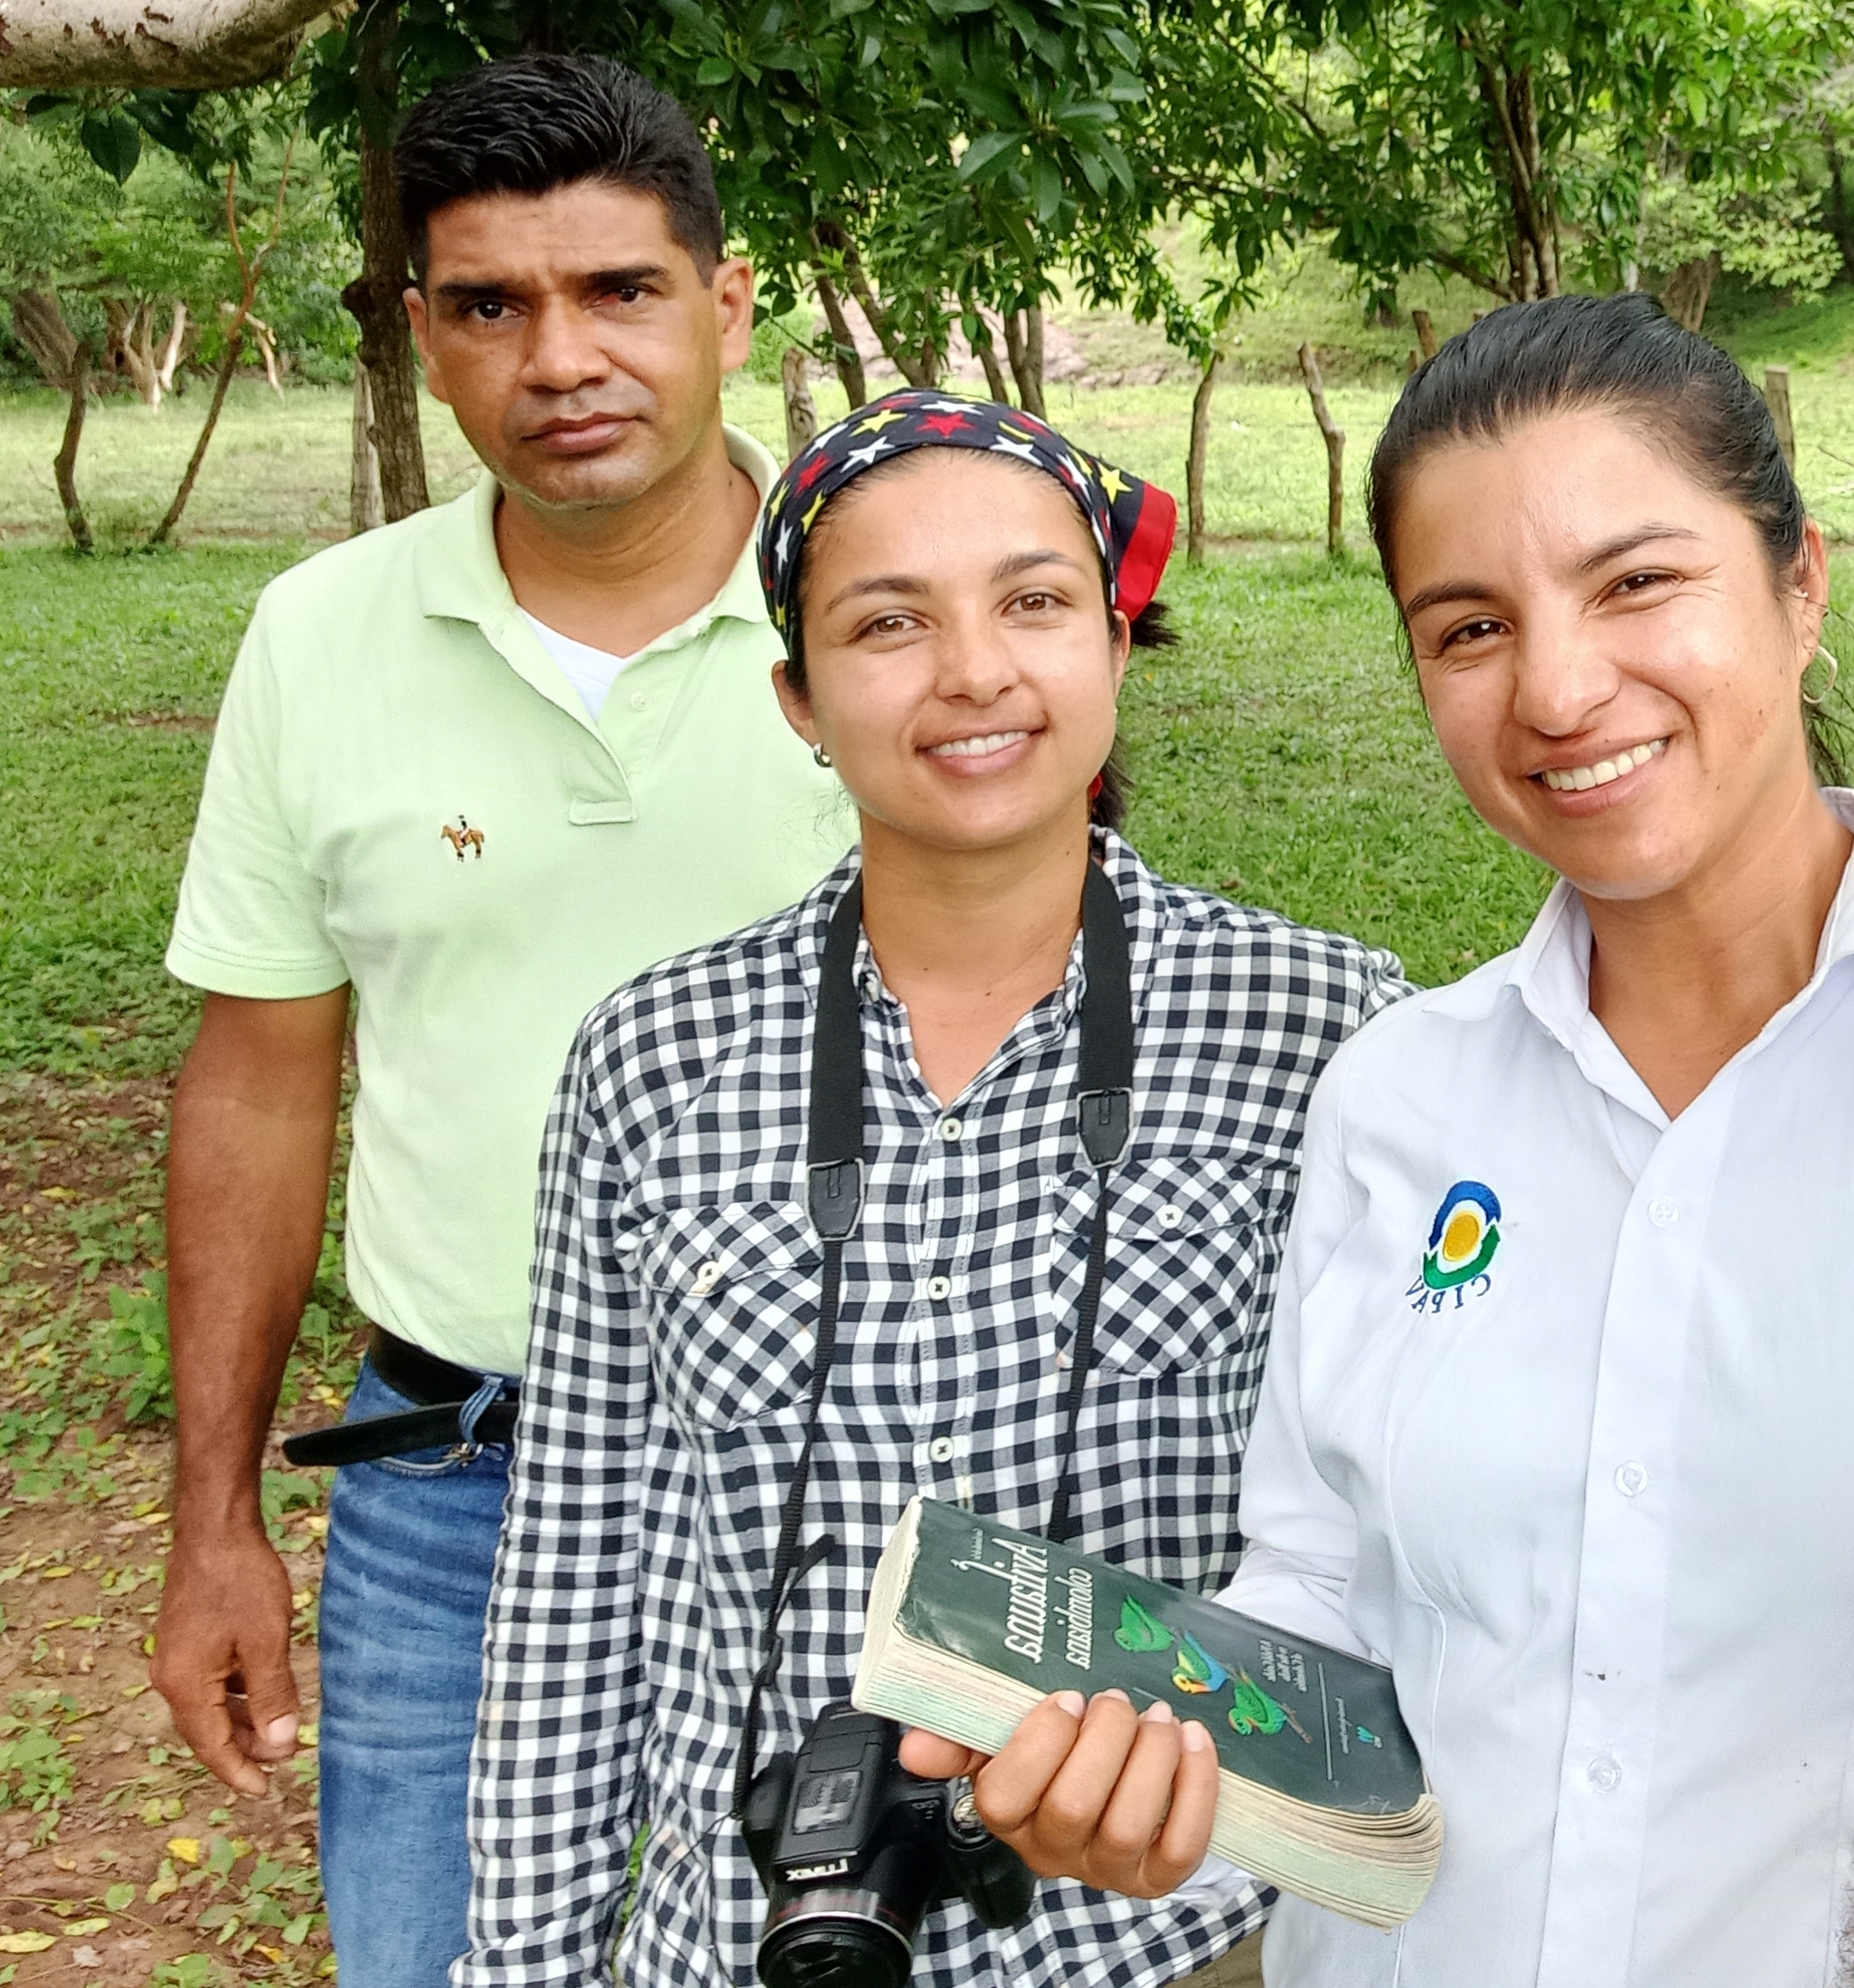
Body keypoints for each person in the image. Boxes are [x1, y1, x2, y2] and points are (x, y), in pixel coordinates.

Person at [907, 295, 1854, 1988]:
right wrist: (1152, 1761)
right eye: (1469, 628)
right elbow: (1326, 1593)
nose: (1563, 690)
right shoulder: (1400, 1097)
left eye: (1639, 581)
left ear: (1801, 586)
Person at [460, 391, 1406, 1988]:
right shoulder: (655, 1055)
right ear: (798, 698)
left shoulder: (1330, 1030)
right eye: (888, 623)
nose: (974, 671)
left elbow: (1398, 1537)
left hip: (1169, 1944)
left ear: (1117, 645)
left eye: (1035, 603)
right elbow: (574, 1572)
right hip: (755, 1931)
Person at [158, 56, 850, 1988]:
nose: (562, 355)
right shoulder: (322, 636)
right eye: (491, 305)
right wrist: (214, 1515)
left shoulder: (891, 606)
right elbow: (260, 1088)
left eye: (620, 290)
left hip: (860, 1465)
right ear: (423, 341)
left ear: (726, 306)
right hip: (454, 1478)